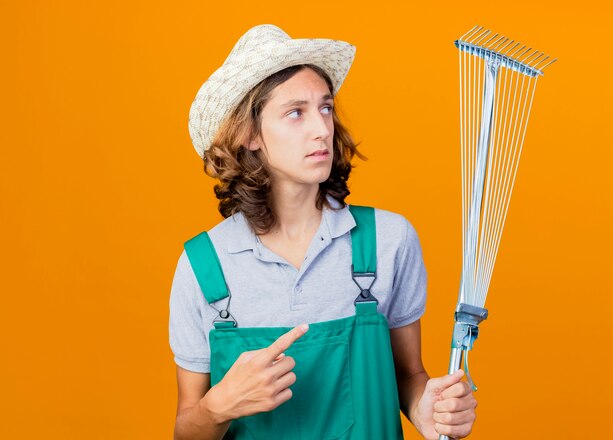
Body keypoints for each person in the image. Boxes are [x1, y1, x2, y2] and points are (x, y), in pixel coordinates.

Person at [169, 24, 477, 440]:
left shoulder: (387, 241)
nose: (322, 129)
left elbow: (409, 376)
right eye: (296, 112)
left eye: (326, 108)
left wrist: (429, 411)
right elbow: (188, 430)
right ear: (250, 134)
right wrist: (217, 407)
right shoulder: (204, 266)